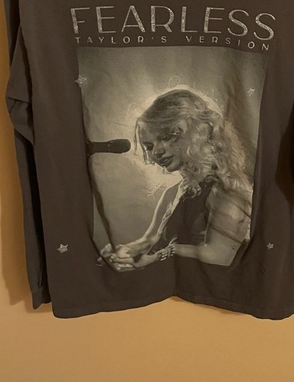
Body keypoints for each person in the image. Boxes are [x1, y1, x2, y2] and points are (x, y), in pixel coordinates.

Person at [100, 87, 253, 272]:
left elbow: (220, 256)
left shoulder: (227, 189)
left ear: (198, 132)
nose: (157, 151)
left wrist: (164, 254)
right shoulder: (172, 193)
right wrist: (125, 251)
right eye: (149, 146)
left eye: (167, 137)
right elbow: (150, 240)